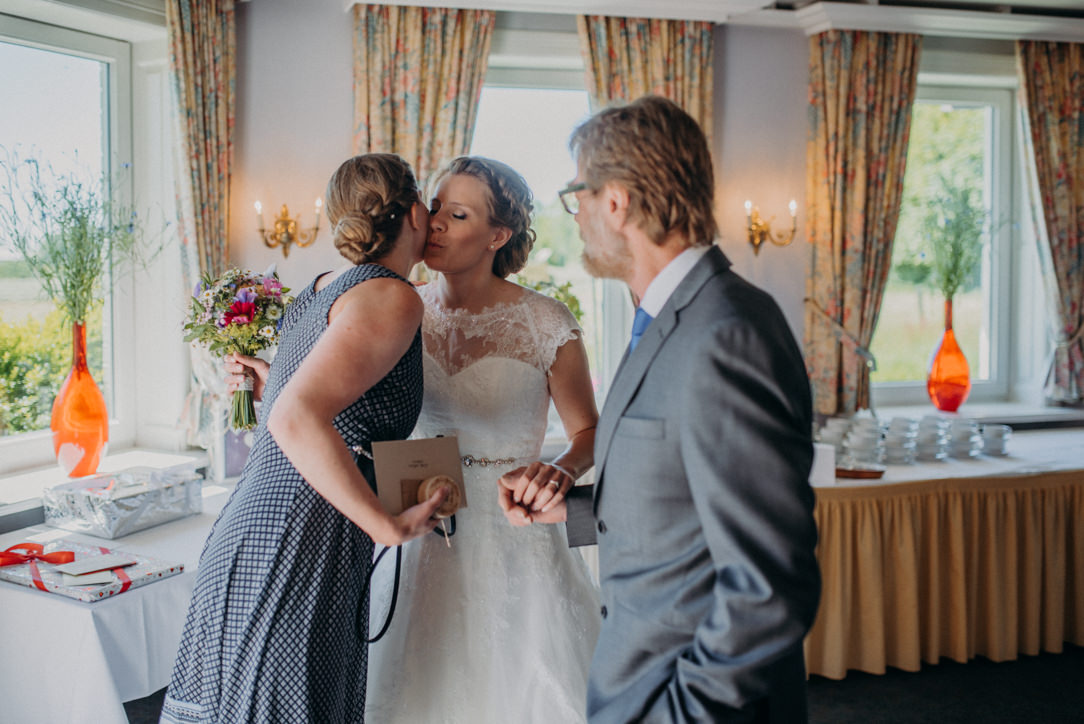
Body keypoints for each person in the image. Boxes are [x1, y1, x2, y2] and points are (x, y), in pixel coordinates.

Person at [499, 96, 822, 723]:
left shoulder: (726, 333)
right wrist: (579, 508)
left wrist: (682, 712)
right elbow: (690, 508)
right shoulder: (665, 320)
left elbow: (769, 582)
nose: (578, 216)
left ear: (615, 202)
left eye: (578, 196)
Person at [161, 153, 447, 724]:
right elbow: (295, 419)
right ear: (415, 211)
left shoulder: (320, 288)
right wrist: (384, 524)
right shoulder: (394, 296)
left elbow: (304, 409)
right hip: (301, 536)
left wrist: (272, 386)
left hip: (262, 524)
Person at [363, 156, 602, 723]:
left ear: (499, 235)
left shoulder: (545, 322)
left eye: (460, 214)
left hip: (515, 528)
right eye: (437, 205)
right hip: (421, 523)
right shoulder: (400, 307)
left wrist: (561, 470)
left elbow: (589, 431)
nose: (436, 222)